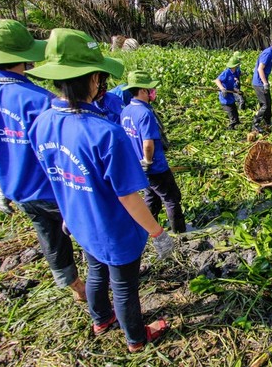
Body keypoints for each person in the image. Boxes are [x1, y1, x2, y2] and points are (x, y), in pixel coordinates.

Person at [27, 28, 174, 353]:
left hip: (79, 222)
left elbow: (54, 176)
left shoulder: (42, 123)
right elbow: (128, 196)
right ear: (92, 78)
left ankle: (100, 318)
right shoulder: (106, 133)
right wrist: (157, 232)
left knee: (95, 271)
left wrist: (67, 213)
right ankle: (137, 338)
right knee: (123, 286)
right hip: (114, 229)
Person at [0, 19, 86, 301]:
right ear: (25, 56)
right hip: (55, 188)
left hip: (18, 190)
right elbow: (60, 151)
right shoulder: (40, 100)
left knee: (50, 240)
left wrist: (0, 188)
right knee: (89, 231)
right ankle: (103, 285)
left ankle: (75, 288)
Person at [121, 70, 186, 233]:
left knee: (151, 196)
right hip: (154, 166)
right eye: (150, 89)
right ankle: (180, 232)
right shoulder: (145, 113)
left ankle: (148, 229)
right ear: (143, 91)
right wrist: (148, 161)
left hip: (139, 166)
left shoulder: (126, 110)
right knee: (172, 198)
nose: (152, 92)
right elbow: (148, 143)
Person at [214, 55, 241, 129]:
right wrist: (222, 88)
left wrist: (236, 90)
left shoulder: (234, 73)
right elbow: (217, 80)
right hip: (225, 96)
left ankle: (237, 123)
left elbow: (232, 85)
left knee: (235, 111)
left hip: (230, 95)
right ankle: (231, 128)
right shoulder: (226, 72)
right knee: (231, 112)